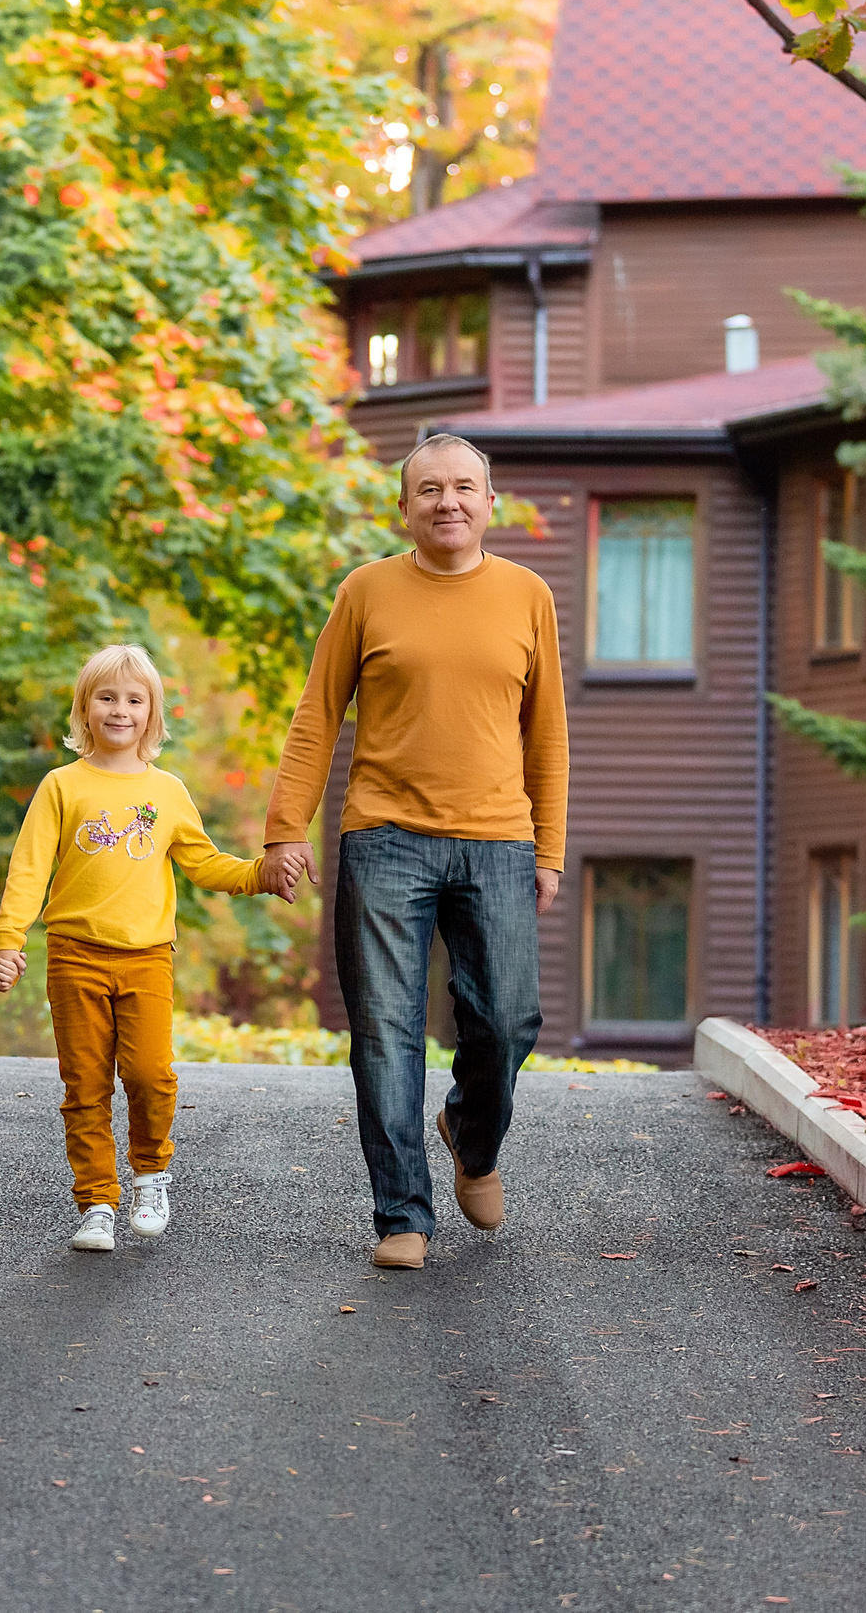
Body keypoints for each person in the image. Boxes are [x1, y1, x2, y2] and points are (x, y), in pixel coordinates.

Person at [259, 433, 568, 1271]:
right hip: (385, 836)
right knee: (386, 1030)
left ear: (490, 502)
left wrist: (551, 845)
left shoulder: (527, 594)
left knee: (506, 1018)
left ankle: (471, 1132)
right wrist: (286, 825)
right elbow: (316, 713)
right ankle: (402, 1214)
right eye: (429, 489)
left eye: (465, 487)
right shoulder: (366, 592)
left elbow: (547, 733)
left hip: (498, 839)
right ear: (406, 507)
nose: (448, 502)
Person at [0, 644, 291, 1253]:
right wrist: (7, 937)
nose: (119, 709)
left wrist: (260, 874)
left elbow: (203, 863)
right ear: (85, 708)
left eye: (134, 699)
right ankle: (97, 1201)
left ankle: (151, 1175)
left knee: (151, 1075)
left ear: (152, 714)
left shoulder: (168, 791)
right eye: (106, 697)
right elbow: (29, 870)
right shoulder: (61, 785)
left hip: (148, 957)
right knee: (86, 1082)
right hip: (75, 954)